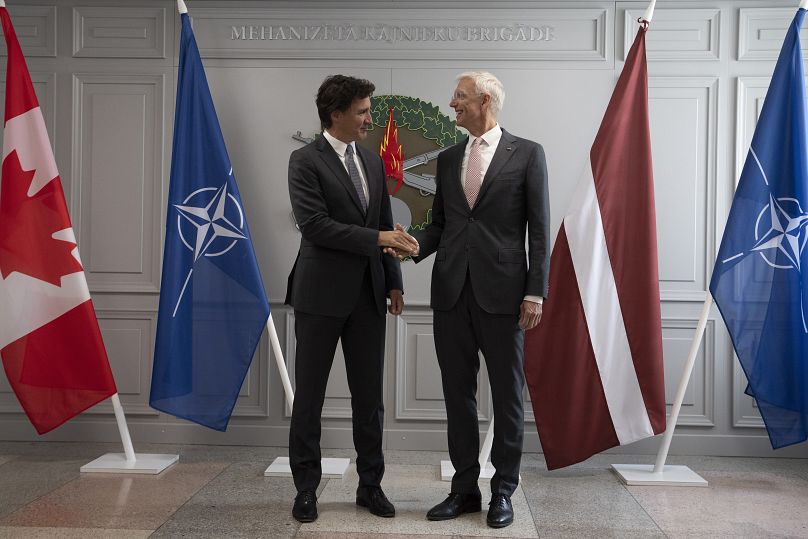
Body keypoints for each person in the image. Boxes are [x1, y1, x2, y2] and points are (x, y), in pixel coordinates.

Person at [391, 71, 550, 528]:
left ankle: (503, 492)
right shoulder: (449, 158)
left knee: (507, 399)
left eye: (459, 97)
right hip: (451, 294)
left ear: (484, 101)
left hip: (505, 298)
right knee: (457, 397)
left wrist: (534, 292)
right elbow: (442, 224)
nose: (451, 103)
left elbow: (538, 231)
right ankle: (463, 490)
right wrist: (415, 244)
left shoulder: (528, 154)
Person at [285, 74, 420, 523]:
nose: (369, 118)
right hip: (319, 296)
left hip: (369, 296)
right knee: (310, 399)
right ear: (336, 114)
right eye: (362, 111)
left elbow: (385, 224)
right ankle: (306, 489)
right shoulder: (303, 160)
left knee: (370, 399)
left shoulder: (372, 160)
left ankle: (371, 486)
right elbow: (317, 226)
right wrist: (379, 236)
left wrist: (395, 280)